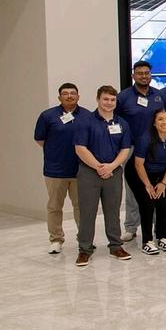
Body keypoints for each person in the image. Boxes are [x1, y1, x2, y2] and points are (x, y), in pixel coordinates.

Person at [73, 85, 133, 266]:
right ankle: (85, 249)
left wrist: (112, 166)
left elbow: (125, 149)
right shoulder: (85, 121)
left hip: (113, 172)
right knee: (87, 212)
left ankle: (116, 246)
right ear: (98, 99)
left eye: (112, 100)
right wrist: (99, 167)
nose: (109, 103)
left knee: (113, 211)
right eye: (105, 99)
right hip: (89, 172)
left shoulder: (122, 124)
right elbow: (80, 148)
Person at [34, 82, 89, 254]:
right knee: (54, 207)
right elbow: (40, 139)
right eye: (65, 93)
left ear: (78, 96)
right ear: (59, 97)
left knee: (81, 207)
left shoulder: (88, 116)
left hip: (80, 170)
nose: (69, 96)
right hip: (55, 171)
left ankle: (84, 239)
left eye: (73, 93)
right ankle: (56, 239)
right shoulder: (47, 116)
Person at [116, 60, 165, 242]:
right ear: (133, 75)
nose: (144, 76)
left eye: (146, 73)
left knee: (154, 186)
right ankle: (131, 227)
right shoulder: (123, 97)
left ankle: (156, 224)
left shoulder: (158, 95)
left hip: (154, 147)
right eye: (140, 73)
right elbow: (116, 121)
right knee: (133, 189)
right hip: (131, 148)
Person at [126, 109, 166, 255]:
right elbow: (138, 164)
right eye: (160, 119)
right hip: (138, 173)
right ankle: (147, 241)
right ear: (154, 123)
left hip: (160, 174)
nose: (164, 122)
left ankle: (163, 237)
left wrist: (163, 183)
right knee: (147, 204)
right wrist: (147, 185)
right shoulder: (145, 138)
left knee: (163, 203)